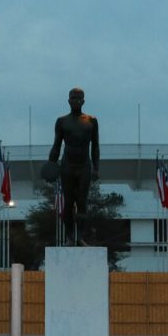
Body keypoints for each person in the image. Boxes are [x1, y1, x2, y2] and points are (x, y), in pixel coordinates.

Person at [48, 87, 100, 245]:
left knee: (82, 202)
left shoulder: (91, 121)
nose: (76, 101)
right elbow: (56, 145)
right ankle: (70, 236)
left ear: (83, 101)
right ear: (68, 100)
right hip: (67, 166)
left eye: (79, 98)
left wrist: (96, 167)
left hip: (84, 166)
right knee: (68, 202)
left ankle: (80, 237)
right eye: (73, 98)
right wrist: (51, 165)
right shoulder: (62, 121)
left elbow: (95, 146)